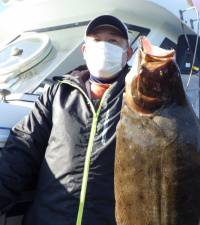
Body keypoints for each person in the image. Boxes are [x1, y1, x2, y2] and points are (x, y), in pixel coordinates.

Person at [0, 15, 133, 225]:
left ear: (128, 53)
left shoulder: (139, 101)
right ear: (85, 51)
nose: (104, 46)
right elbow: (23, 147)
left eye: (113, 41)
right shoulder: (57, 93)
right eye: (96, 40)